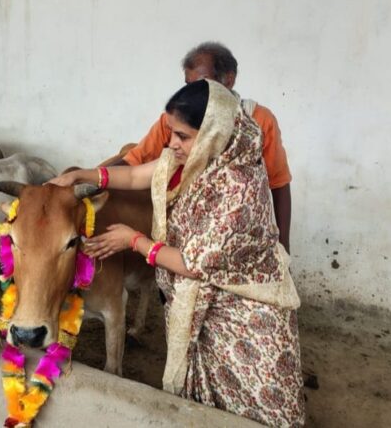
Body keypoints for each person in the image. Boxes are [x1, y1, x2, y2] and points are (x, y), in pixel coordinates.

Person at [50, 80, 305, 427]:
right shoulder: (197, 157)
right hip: (200, 305)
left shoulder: (238, 187)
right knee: (204, 407)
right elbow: (137, 175)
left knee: (251, 407)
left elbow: (192, 264)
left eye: (182, 136)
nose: (171, 144)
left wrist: (134, 241)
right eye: (171, 132)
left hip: (244, 319)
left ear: (213, 131)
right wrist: (82, 174)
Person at [110, 42, 293, 252]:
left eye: (202, 84)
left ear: (229, 80)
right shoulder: (175, 121)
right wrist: (87, 183)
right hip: (182, 240)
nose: (192, 92)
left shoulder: (259, 120)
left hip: (230, 243)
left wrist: (284, 247)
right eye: (188, 85)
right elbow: (133, 164)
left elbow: (279, 183)